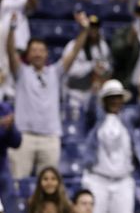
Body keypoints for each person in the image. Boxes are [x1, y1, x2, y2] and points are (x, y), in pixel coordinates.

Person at [6, 13, 89, 179]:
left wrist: (84, 31)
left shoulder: (55, 72)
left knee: (49, 188)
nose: (37, 54)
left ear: (46, 54)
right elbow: (10, 52)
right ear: (28, 54)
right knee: (17, 183)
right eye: (34, 50)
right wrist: (12, 29)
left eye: (41, 50)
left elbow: (73, 53)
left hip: (50, 137)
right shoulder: (21, 72)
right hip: (24, 136)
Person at [82, 79, 140, 213]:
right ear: (104, 100)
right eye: (111, 97)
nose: (115, 101)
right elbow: (89, 111)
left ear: (123, 100)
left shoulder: (127, 118)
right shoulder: (97, 120)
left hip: (123, 180)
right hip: (98, 179)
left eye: (118, 97)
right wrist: (94, 92)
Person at [64, 14, 112, 105]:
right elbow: (70, 71)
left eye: (95, 27)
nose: (93, 30)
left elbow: (107, 66)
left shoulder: (102, 46)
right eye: (90, 27)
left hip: (93, 92)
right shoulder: (72, 46)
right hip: (75, 92)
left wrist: (102, 69)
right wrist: (91, 66)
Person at [0, 102, 21, 213]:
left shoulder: (4, 108)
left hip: (2, 168)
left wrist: (9, 128)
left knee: (11, 208)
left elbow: (16, 142)